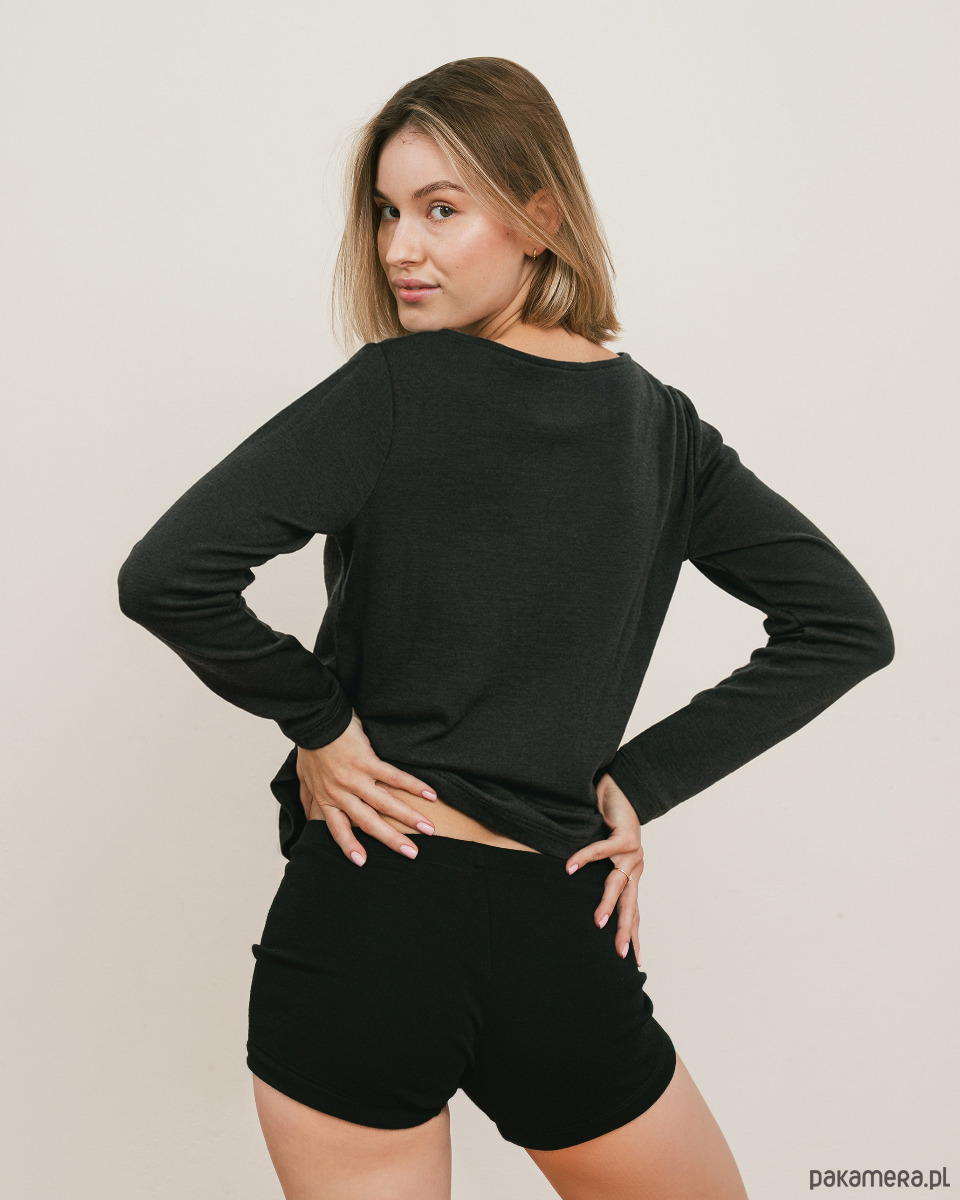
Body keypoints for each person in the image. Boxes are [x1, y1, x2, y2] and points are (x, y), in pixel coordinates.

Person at [116, 56, 894, 1200]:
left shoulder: (397, 390)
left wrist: (321, 723)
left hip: (370, 915)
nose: (400, 248)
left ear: (541, 218)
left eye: (441, 209)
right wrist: (636, 785)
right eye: (386, 211)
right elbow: (845, 627)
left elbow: (167, 574)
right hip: (552, 925)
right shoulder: (662, 430)